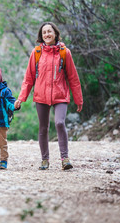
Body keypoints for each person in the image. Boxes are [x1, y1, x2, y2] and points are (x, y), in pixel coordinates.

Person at [14, 22, 83, 170]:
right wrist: (21, 97)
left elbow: (73, 78)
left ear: (55, 33)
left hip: (60, 95)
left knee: (59, 123)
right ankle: (45, 160)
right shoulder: (37, 52)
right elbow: (29, 78)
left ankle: (65, 158)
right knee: (43, 128)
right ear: (41, 35)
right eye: (44, 32)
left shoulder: (65, 52)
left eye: (49, 31)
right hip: (41, 95)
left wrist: (78, 99)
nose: (47, 34)